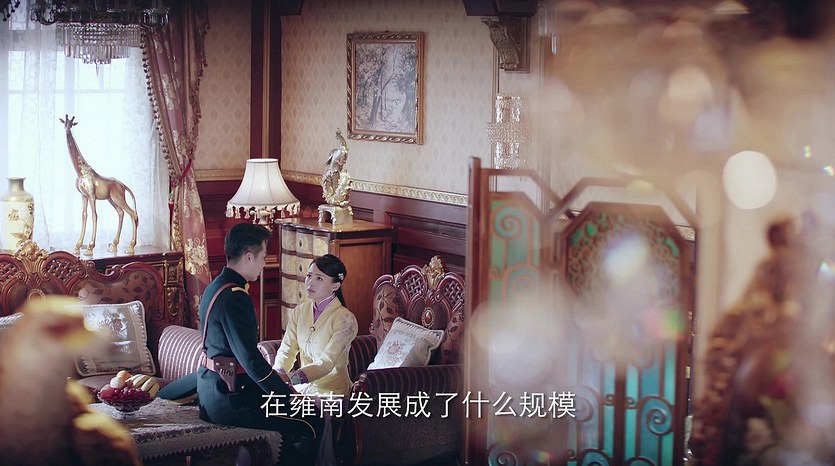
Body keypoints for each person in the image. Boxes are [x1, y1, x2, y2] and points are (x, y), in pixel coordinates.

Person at [197, 223, 323, 463]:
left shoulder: (216, 285)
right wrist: (287, 396)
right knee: (311, 420)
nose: (265, 263)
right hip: (229, 399)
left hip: (216, 389)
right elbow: (251, 361)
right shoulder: (236, 298)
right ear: (248, 256)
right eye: (264, 256)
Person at [273, 254, 358, 396]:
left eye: (319, 278)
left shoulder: (346, 320)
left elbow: (326, 363)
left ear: (335, 286)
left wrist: (291, 378)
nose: (310, 282)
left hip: (331, 393)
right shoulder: (300, 311)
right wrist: (277, 373)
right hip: (303, 389)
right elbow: (287, 350)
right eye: (309, 276)